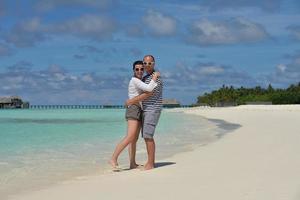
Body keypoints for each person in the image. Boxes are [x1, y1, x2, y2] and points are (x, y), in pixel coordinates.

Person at [109, 60, 160, 170]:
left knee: (134, 139)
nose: (140, 71)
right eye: (137, 69)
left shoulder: (140, 80)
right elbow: (149, 89)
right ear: (133, 70)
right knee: (130, 136)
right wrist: (155, 77)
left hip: (138, 109)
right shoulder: (135, 80)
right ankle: (113, 158)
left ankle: (132, 163)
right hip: (133, 108)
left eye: (142, 69)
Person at [126, 55, 163, 170]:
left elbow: (148, 93)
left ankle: (150, 163)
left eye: (149, 63)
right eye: (145, 63)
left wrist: (131, 101)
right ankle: (135, 163)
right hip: (145, 110)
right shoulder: (146, 77)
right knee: (144, 136)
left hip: (152, 109)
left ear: (154, 63)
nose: (147, 65)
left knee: (148, 136)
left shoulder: (155, 77)